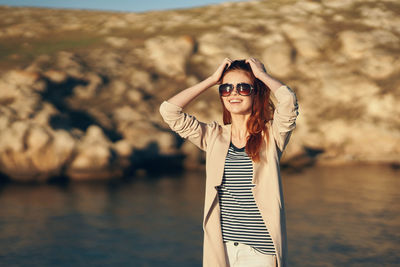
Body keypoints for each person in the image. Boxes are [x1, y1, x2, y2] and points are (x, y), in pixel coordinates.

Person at [159, 57, 299, 267]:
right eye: (226, 88)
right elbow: (169, 111)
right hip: (221, 248)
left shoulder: (272, 135)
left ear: (256, 92)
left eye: (243, 87)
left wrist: (261, 75)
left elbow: (288, 102)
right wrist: (211, 80)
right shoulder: (214, 136)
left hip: (259, 251)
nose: (233, 93)